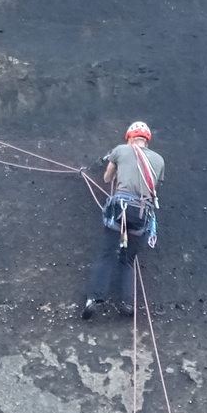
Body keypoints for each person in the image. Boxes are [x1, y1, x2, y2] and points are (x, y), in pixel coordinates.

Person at [82, 122, 164, 319]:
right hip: (143, 214)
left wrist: (118, 168)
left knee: (107, 254)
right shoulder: (159, 160)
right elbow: (155, 187)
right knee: (128, 259)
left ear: (129, 137)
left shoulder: (120, 150)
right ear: (147, 140)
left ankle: (94, 299)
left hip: (121, 209)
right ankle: (127, 303)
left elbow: (107, 179)